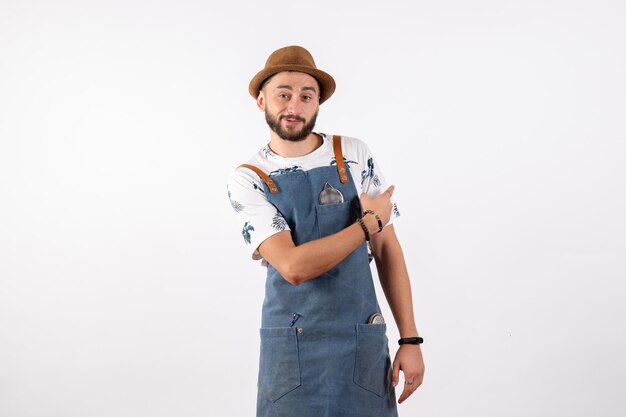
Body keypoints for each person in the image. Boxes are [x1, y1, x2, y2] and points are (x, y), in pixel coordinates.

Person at [227, 45, 425, 417]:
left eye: (307, 96)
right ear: (261, 101)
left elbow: (387, 251)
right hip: (290, 349)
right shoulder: (248, 179)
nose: (294, 106)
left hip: (361, 340)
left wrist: (410, 338)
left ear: (318, 103)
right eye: (283, 94)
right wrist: (368, 224)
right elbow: (293, 267)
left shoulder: (353, 153)